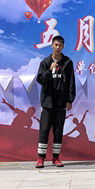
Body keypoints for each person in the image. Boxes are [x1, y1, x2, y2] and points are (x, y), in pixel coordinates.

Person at [35, 35, 75, 168]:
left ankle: (56, 158)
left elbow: (71, 82)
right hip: (47, 102)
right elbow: (40, 79)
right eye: (56, 45)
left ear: (63, 46)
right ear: (52, 45)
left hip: (61, 103)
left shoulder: (67, 62)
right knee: (44, 130)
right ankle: (41, 158)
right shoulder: (45, 62)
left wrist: (69, 99)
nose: (58, 47)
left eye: (60, 45)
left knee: (58, 131)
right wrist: (50, 70)